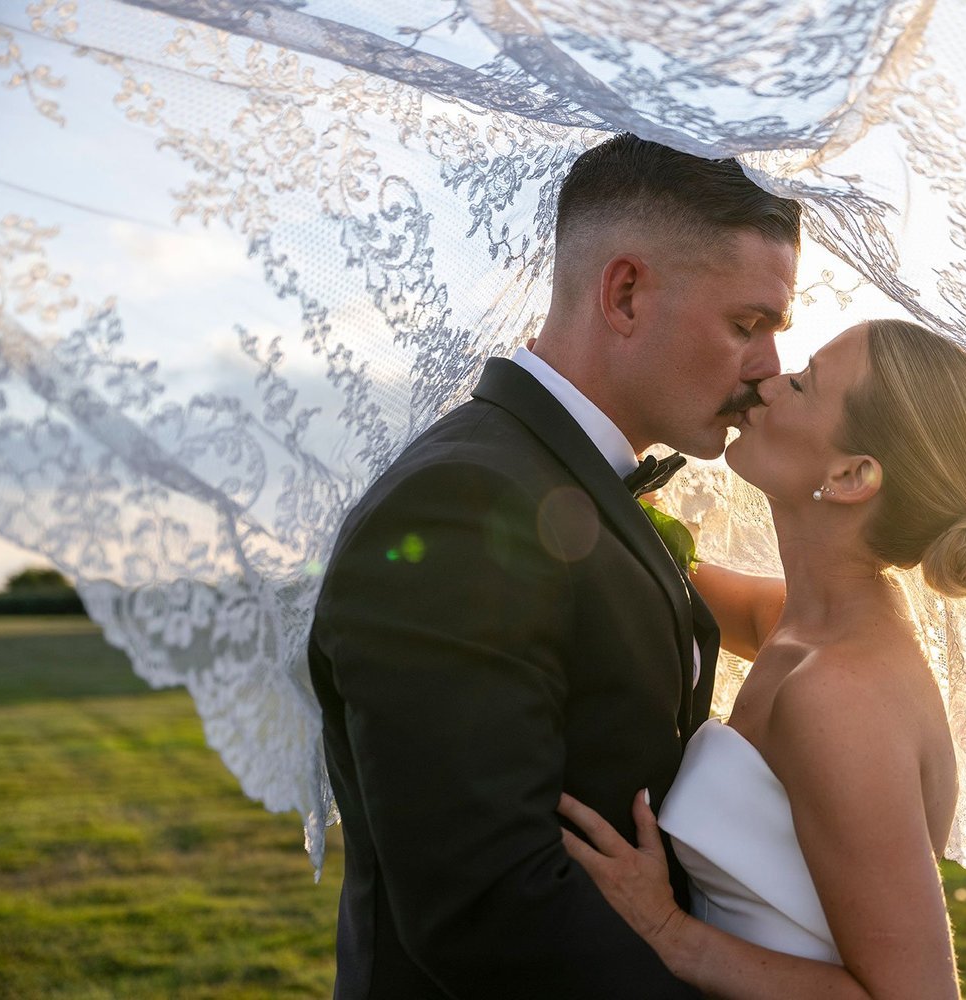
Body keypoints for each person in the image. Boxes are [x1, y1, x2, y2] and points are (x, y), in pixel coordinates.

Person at [306, 133, 801, 997]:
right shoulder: (463, 505)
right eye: (748, 325)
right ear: (625, 293)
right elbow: (490, 912)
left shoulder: (570, 484)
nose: (769, 371)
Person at [559, 318, 966, 999]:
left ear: (850, 476)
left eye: (804, 382)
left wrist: (670, 932)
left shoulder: (839, 694)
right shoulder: (808, 621)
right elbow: (670, 574)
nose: (768, 380)